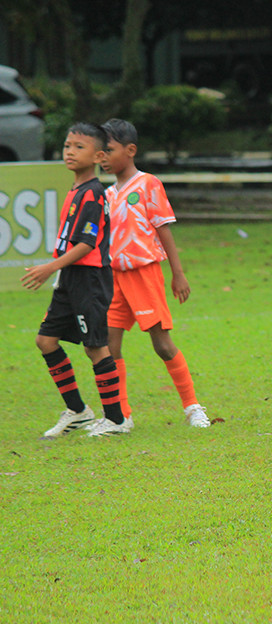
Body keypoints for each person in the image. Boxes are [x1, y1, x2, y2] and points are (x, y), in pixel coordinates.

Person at [100, 118, 210, 429]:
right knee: (109, 345)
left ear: (130, 150)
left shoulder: (148, 184)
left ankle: (192, 407)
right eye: (100, 151)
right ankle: (120, 416)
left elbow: (163, 230)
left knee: (161, 344)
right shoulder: (107, 194)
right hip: (114, 278)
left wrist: (178, 273)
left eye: (109, 150)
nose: (103, 157)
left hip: (144, 274)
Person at [21, 122, 128, 438]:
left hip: (89, 279)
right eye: (68, 145)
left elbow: (87, 244)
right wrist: (59, 270)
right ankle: (78, 412)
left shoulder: (93, 193)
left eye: (79, 147)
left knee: (95, 347)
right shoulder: (76, 190)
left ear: (98, 156)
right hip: (70, 277)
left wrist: (50, 267)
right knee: (46, 340)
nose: (70, 151)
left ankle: (115, 420)